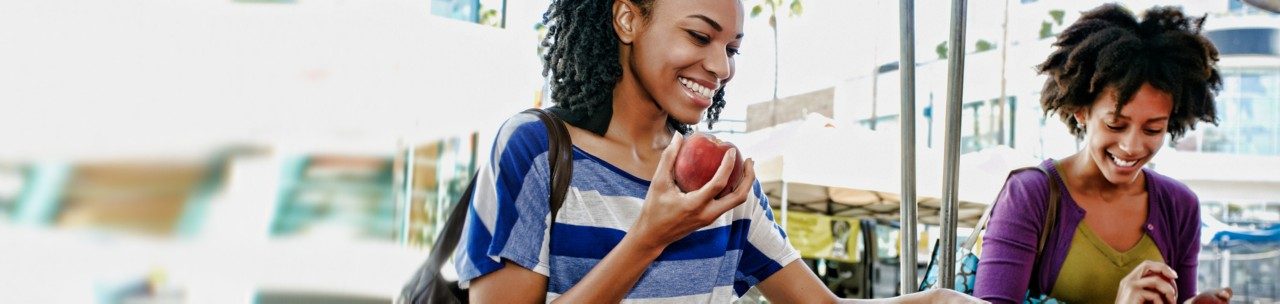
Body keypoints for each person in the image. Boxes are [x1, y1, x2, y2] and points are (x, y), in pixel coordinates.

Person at [451, 0, 985, 302]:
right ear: (627, 19)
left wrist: (936, 300)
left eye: (731, 48)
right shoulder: (535, 149)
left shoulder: (724, 180)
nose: (722, 67)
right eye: (700, 36)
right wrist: (648, 238)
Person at [974, 4, 1232, 304]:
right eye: (1115, 124)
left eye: (1152, 129)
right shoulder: (1030, 196)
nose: (1132, 146)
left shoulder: (1179, 207)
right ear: (1082, 111)